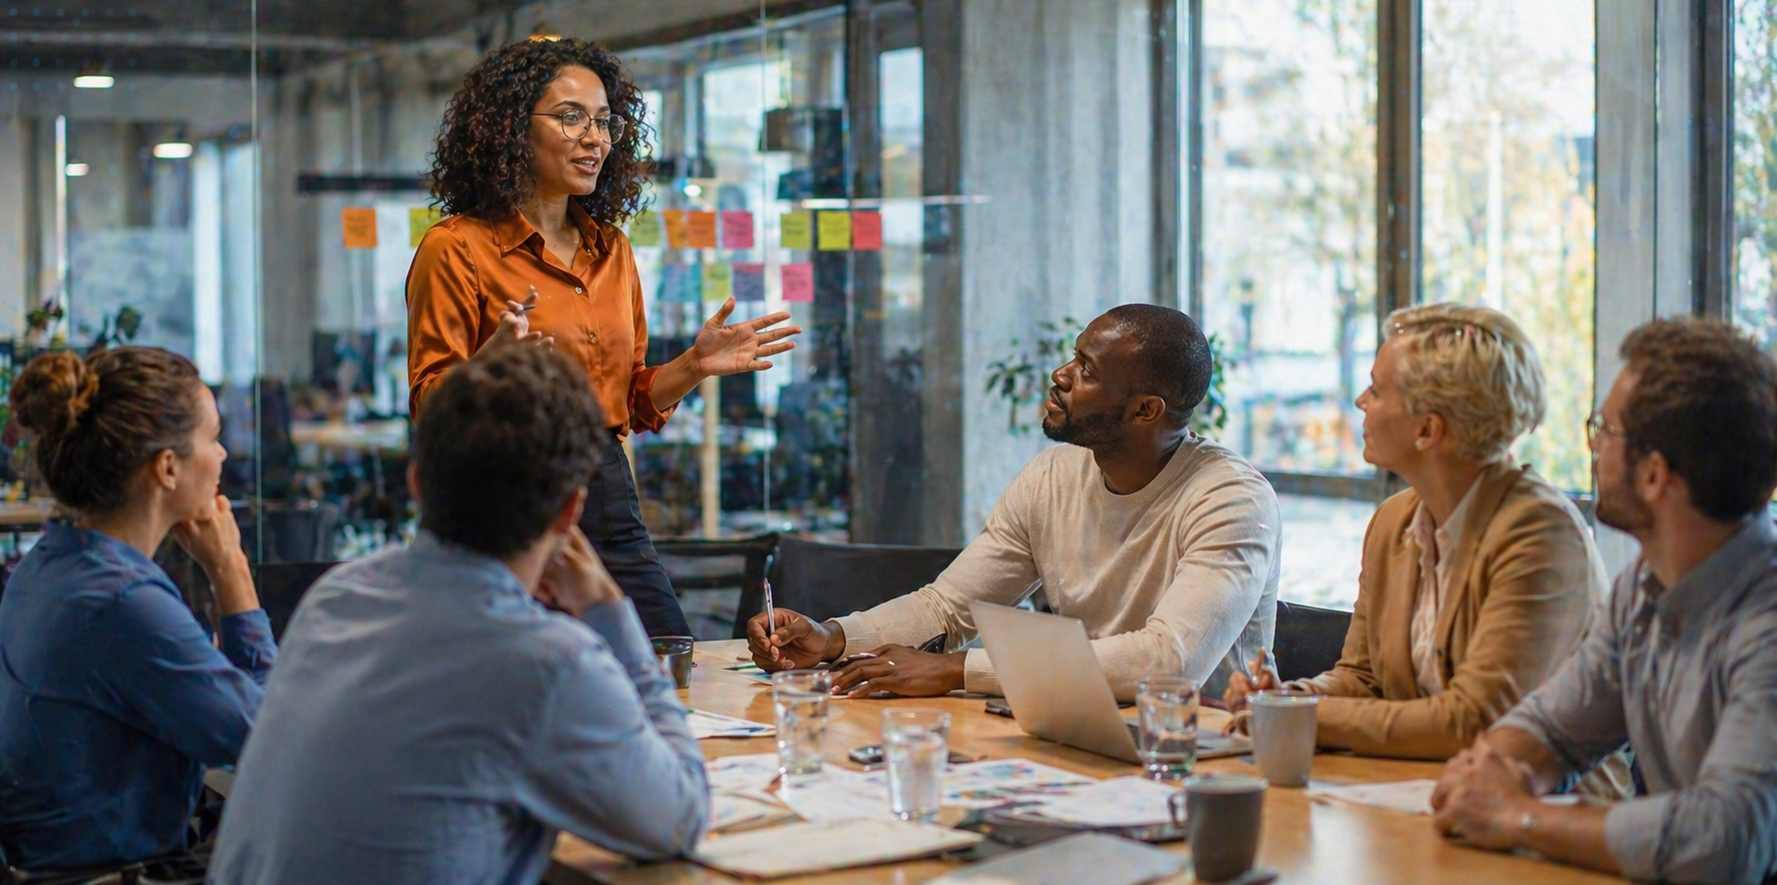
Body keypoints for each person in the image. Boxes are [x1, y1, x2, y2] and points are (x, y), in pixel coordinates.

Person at [209, 344, 707, 885]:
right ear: (571, 511)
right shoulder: (547, 662)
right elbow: (679, 817)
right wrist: (611, 614)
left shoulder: (338, 596)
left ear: (417, 482)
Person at [407, 36, 801, 637]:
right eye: (571, 118)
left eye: (604, 121)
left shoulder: (611, 249)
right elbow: (427, 407)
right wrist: (486, 373)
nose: (595, 138)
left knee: (667, 651)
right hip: (503, 495)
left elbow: (632, 401)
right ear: (513, 128)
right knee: (528, 686)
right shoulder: (455, 248)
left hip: (606, 486)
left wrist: (694, 366)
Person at [747, 304, 1280, 701]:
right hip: (1079, 729)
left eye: (1088, 371)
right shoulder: (1053, 476)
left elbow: (1169, 661)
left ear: (1145, 411)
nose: (1061, 375)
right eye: (1074, 356)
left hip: (1200, 757)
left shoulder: (1232, 499)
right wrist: (833, 638)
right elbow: (947, 608)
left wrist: (961, 670)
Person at [1431, 318, 1777, 884]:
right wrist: (1483, 775)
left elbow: (1725, 839)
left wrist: (1519, 816)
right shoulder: (1643, 587)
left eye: (1604, 430)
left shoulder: (1766, 622)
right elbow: (1556, 728)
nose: (1592, 445)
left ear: (1655, 475)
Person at [1223, 304, 1609, 760]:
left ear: (1427, 429)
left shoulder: (1541, 535)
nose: (1360, 401)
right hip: (1416, 792)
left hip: (1544, 813)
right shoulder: (1393, 521)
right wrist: (1286, 698)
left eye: (1376, 390)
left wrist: (1302, 716)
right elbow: (1363, 678)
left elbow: (1473, 722)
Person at [0, 347, 274, 871]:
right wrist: (231, 570)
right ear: (167, 467)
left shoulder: (47, 567)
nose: (222, 456)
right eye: (212, 438)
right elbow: (275, 740)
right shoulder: (122, 603)